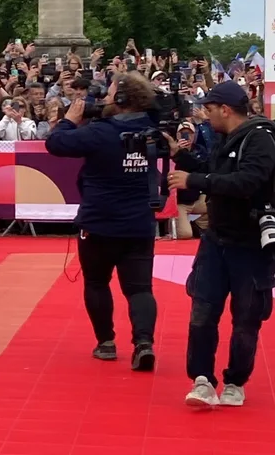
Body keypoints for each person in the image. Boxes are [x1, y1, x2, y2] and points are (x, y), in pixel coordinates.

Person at [166, 81, 275, 408]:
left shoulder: (261, 139)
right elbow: (216, 173)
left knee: (246, 320)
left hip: (250, 246)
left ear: (225, 109)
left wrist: (193, 181)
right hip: (216, 241)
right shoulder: (227, 139)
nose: (204, 114)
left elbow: (247, 182)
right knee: (202, 312)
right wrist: (182, 157)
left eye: (209, 109)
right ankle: (201, 380)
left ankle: (235, 382)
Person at [45, 72, 160, 371]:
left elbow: (56, 144)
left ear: (121, 100)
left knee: (96, 282)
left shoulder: (99, 133)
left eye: (108, 95)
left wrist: (70, 118)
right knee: (140, 288)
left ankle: (106, 342)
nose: (102, 100)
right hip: (139, 222)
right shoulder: (153, 131)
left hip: (99, 222)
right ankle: (144, 343)